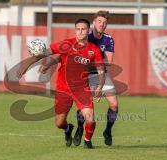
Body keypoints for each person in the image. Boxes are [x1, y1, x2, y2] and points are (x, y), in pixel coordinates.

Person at [17, 19, 105, 149]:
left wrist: (100, 86)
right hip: (63, 89)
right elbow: (44, 54)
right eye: (78, 29)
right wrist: (26, 65)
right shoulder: (66, 44)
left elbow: (101, 71)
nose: (80, 32)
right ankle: (68, 129)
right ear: (75, 30)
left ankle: (87, 141)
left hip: (82, 89)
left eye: (83, 29)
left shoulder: (94, 49)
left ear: (89, 31)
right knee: (59, 123)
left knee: (90, 118)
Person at [39, 11, 118, 146]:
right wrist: (50, 64)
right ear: (94, 23)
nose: (102, 24)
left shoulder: (108, 39)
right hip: (83, 75)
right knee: (84, 107)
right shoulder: (84, 35)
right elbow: (64, 55)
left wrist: (90, 59)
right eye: (99, 21)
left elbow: (109, 61)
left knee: (114, 104)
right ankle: (80, 129)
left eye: (104, 22)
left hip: (99, 73)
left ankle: (108, 131)